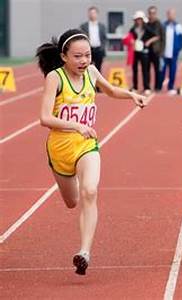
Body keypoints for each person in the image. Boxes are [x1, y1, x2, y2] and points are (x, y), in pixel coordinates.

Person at [36, 29, 147, 275]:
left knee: (90, 191)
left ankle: (84, 252)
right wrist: (77, 125)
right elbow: (44, 118)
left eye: (87, 55)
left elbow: (109, 90)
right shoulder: (55, 78)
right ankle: (72, 178)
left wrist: (131, 94)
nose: (84, 61)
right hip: (60, 148)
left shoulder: (91, 72)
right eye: (77, 56)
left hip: (86, 145)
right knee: (72, 201)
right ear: (64, 56)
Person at [129, 10, 158, 95]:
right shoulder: (133, 29)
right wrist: (131, 41)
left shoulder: (147, 28)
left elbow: (156, 36)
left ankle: (146, 87)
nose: (138, 21)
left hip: (144, 52)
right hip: (135, 52)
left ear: (142, 20)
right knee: (134, 69)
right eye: (137, 19)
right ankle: (135, 87)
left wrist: (148, 42)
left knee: (145, 70)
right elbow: (129, 37)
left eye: (140, 19)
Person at [161, 8, 182, 95]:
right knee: (162, 70)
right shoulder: (163, 26)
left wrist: (178, 48)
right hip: (164, 52)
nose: (171, 16)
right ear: (167, 15)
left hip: (173, 53)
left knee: (172, 70)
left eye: (173, 14)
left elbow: (181, 39)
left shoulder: (178, 26)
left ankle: (170, 87)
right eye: (170, 14)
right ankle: (159, 86)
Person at [80, 6, 107, 73]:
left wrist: (102, 47)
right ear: (88, 14)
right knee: (87, 68)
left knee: (98, 69)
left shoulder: (102, 26)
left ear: (97, 14)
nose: (92, 15)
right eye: (90, 13)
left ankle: (97, 83)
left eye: (94, 13)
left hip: (99, 50)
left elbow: (104, 38)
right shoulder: (84, 26)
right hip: (88, 50)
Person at [146, 6, 165, 92]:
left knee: (158, 70)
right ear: (148, 14)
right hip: (146, 51)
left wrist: (161, 51)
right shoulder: (146, 24)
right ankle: (147, 87)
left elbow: (163, 38)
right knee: (146, 70)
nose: (152, 15)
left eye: (153, 13)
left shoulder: (159, 24)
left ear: (156, 14)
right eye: (150, 13)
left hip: (156, 51)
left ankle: (158, 87)